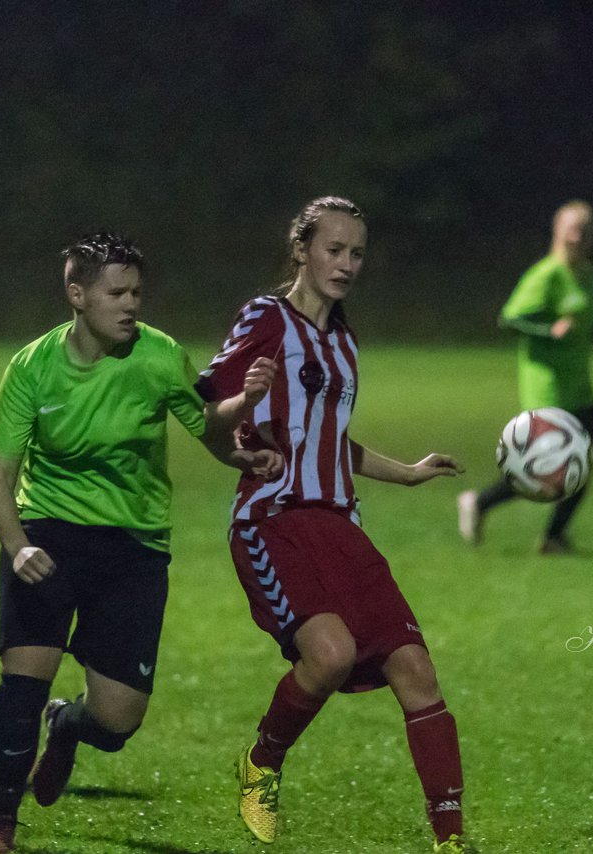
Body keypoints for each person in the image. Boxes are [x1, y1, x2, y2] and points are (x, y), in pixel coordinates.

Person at [0, 232, 282, 853]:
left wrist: (244, 410)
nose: (132, 303)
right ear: (77, 293)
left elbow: (209, 430)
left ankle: (69, 723)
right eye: (118, 291)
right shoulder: (33, 366)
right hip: (49, 535)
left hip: (133, 547)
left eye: (137, 291)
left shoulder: (161, 356)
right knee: (23, 679)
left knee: (116, 722)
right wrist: (17, 546)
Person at [197, 197, 469, 853]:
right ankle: (261, 763)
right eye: (333, 249)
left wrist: (403, 471)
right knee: (331, 655)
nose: (346, 263)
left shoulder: (343, 342)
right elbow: (207, 417)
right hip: (272, 521)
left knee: (416, 672)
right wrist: (242, 423)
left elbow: (327, 438)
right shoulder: (266, 319)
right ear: (301, 250)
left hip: (340, 525)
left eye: (356, 253)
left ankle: (452, 840)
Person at [457, 200, 593, 554]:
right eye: (571, 228)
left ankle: (553, 536)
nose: (576, 237)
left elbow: (586, 322)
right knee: (543, 470)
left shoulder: (587, 276)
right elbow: (510, 319)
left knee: (580, 465)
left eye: (583, 231)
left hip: (580, 386)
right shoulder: (545, 275)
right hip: (548, 388)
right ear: (557, 232)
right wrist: (547, 330)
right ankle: (478, 502)